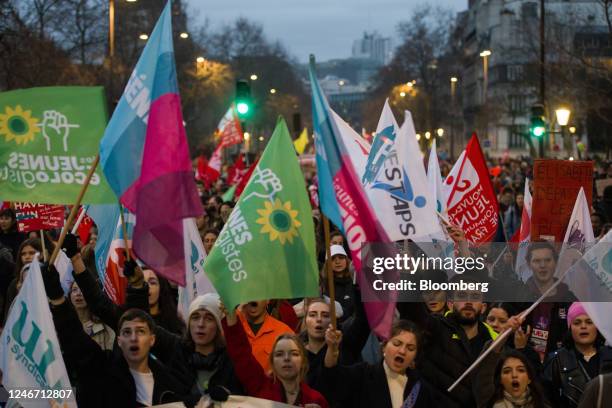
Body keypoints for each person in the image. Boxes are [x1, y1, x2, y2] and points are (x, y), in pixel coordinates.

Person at [43, 263, 192, 407]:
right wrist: (58, 299)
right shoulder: (104, 375)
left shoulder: (170, 381)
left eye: (141, 331)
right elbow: (76, 340)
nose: (134, 338)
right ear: (119, 341)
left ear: (152, 339)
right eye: (127, 332)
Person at [398, 273, 498, 407]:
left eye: (474, 297)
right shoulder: (435, 327)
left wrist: (521, 347)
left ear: (483, 307)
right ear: (450, 304)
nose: (468, 302)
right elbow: (411, 308)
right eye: (462, 296)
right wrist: (408, 275)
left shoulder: (492, 341)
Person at [321, 319, 449, 407]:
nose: (402, 351)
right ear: (384, 347)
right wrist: (332, 348)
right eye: (397, 344)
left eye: (410, 348)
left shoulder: (421, 389)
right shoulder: (363, 374)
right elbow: (332, 377)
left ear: (415, 356)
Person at [223, 305, 328, 407]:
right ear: (272, 362)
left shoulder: (316, 399)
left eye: (294, 354)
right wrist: (231, 317)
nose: (287, 359)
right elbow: (241, 354)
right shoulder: (260, 387)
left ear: (303, 361)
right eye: (279, 354)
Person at [145, 293, 244, 401]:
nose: (201, 324)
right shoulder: (175, 350)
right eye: (195, 317)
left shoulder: (231, 360)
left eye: (209, 318)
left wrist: (228, 395)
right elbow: (141, 324)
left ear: (219, 326)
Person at [542, 302, 612, 408]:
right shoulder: (556, 360)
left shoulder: (610, 356)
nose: (583, 326)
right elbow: (546, 400)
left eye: (589, 322)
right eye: (577, 323)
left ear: (597, 327)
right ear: (570, 328)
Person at [524, 241, 577, 362]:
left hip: (562, 364)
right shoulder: (519, 296)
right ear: (528, 264)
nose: (543, 265)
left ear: (555, 263)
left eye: (548, 260)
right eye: (537, 261)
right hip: (527, 365)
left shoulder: (568, 298)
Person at [237, 299, 294, 373]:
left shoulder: (284, 332)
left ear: (268, 300)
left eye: (258, 295)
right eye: (249, 294)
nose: (253, 300)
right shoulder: (234, 327)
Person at [2, 238, 42, 324]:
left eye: (32, 253)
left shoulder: (49, 279)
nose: (27, 257)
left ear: (42, 255)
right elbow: (8, 312)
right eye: (23, 254)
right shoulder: (14, 283)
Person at [69, 281, 115, 351]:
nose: (78, 294)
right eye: (74, 290)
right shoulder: (66, 325)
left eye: (83, 289)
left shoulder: (105, 324)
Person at [142, 268, 185, 335]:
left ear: (161, 288)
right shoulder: (130, 318)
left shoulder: (174, 321)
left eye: (152, 283)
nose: (147, 287)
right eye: (142, 283)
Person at [321, 245, 356, 323]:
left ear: (346, 260)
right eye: (333, 259)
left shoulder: (355, 282)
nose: (337, 262)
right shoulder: (324, 285)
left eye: (341, 257)